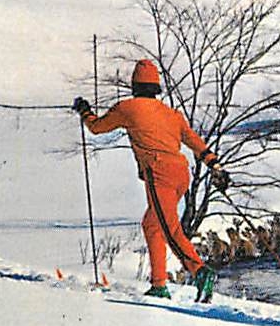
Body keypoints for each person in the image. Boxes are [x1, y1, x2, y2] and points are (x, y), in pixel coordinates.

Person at [75, 59, 228, 302]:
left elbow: (97, 128)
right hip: (181, 173)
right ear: (156, 87)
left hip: (159, 172)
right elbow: (192, 140)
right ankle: (159, 284)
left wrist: (84, 111)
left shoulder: (128, 108)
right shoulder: (171, 114)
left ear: (134, 85)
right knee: (152, 224)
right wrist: (214, 165)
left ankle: (199, 272)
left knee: (169, 227)